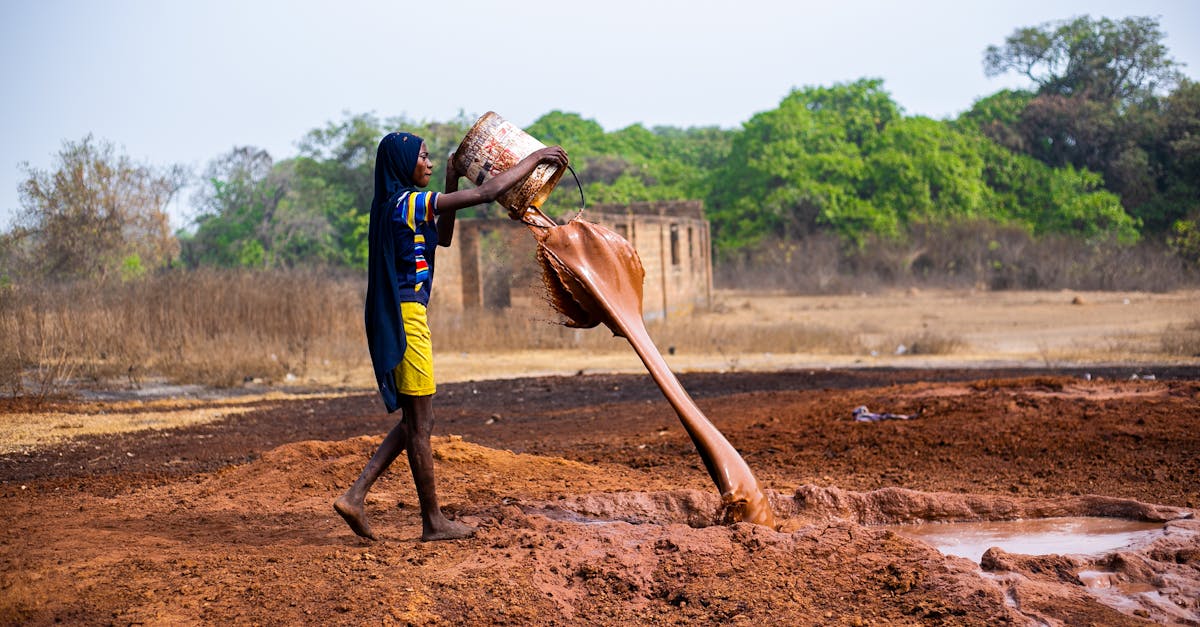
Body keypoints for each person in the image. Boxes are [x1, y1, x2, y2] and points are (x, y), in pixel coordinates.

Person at [334, 131, 568, 541]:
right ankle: (432, 521)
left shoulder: (400, 205)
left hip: (408, 315)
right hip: (407, 319)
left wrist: (451, 176)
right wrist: (535, 159)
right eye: (422, 157)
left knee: (416, 421)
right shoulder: (405, 202)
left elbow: (442, 237)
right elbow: (489, 192)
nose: (426, 162)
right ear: (402, 163)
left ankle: (356, 497)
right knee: (420, 424)